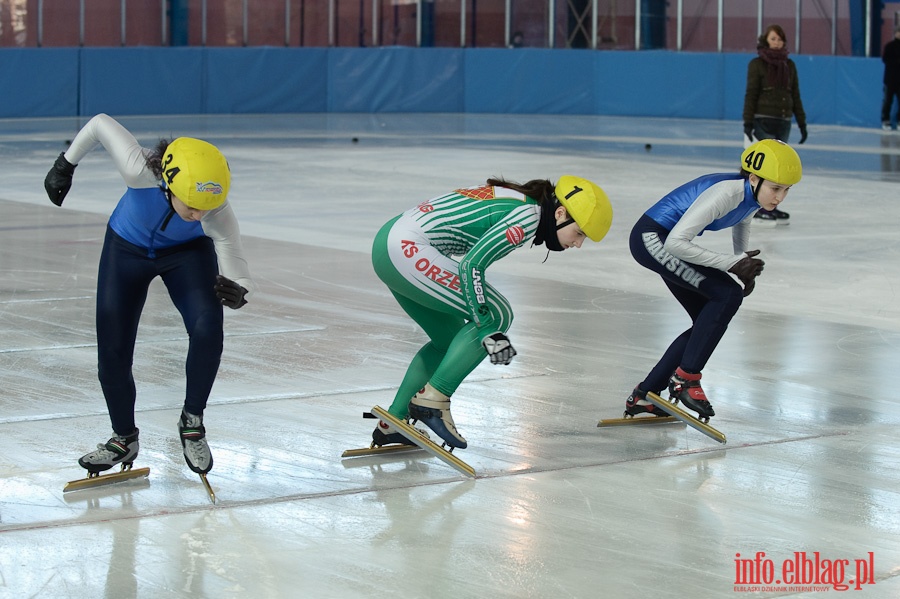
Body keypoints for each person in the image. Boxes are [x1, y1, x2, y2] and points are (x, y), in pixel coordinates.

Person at [43, 113, 255, 477]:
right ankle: (123, 437)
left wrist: (238, 289)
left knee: (208, 328)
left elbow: (231, 250)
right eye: (190, 204)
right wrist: (65, 164)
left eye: (205, 207)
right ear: (168, 185)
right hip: (126, 250)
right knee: (112, 349)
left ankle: (192, 420)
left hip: (187, 256)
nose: (198, 213)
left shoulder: (214, 206)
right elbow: (98, 123)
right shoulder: (137, 167)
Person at [371, 176, 613, 449]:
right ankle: (433, 401)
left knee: (449, 343)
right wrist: (488, 328)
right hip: (407, 250)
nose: (578, 244)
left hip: (389, 243)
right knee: (498, 313)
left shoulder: (522, 203)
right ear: (560, 213)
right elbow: (472, 265)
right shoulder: (528, 217)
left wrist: (483, 327)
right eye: (579, 233)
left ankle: (394, 421)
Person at [623, 139, 801, 422]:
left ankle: (645, 395)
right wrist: (733, 264)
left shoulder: (752, 197)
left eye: (787, 190)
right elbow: (676, 244)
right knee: (726, 295)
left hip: (662, 240)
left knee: (706, 321)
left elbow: (742, 221)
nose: (779, 198)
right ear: (753, 178)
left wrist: (741, 261)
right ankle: (686, 380)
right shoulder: (727, 193)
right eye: (776, 188)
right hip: (652, 238)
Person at [743, 24, 806, 226]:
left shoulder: (790, 65)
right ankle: (753, 207)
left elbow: (794, 94)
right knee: (762, 166)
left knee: (778, 168)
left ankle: (771, 206)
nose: (776, 43)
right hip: (763, 118)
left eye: (779, 39)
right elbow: (751, 93)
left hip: (783, 120)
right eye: (773, 39)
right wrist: (748, 121)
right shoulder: (757, 64)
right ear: (765, 40)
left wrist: (802, 122)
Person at [882, 26, 900, 131]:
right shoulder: (889, 46)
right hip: (890, 79)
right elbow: (885, 59)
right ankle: (886, 120)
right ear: (896, 33)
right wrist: (896, 62)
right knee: (888, 101)